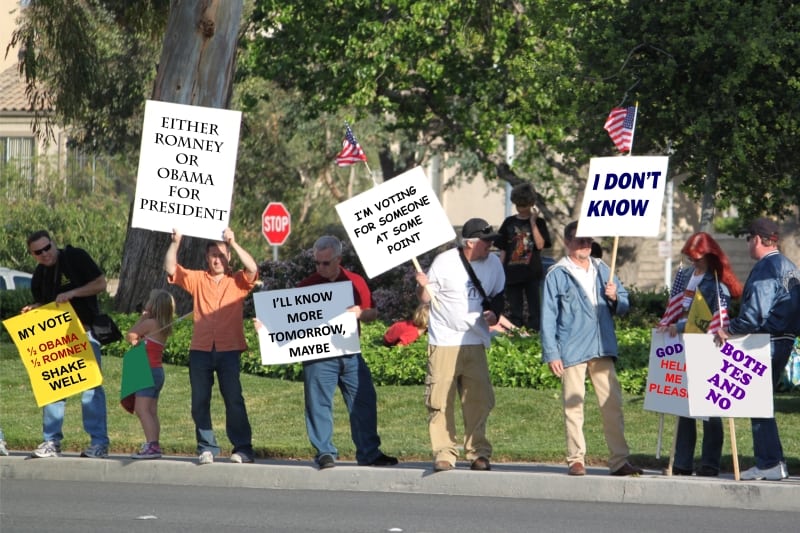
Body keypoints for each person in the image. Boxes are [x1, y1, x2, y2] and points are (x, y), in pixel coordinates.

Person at [540, 221, 643, 477]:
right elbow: (548, 316)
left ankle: (619, 460)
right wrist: (552, 352)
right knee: (574, 406)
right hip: (572, 349)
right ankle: (576, 459)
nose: (585, 244)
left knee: (612, 405)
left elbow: (624, 304)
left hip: (602, 346)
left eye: (588, 240)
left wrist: (615, 296)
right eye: (579, 240)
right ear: (567, 242)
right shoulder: (557, 273)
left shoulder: (602, 268)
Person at [296, 235, 398, 469]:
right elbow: (291, 320)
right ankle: (324, 452)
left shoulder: (355, 281)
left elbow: (373, 313)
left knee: (364, 400)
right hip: (319, 355)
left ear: (338, 259)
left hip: (351, 353)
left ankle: (369, 452)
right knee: (318, 403)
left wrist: (360, 313)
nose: (320, 267)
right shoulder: (305, 286)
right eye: (317, 263)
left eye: (325, 263)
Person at [415, 218, 505, 472]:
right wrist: (422, 286)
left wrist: (494, 315)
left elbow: (498, 296)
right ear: (469, 243)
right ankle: (444, 453)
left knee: (478, 400)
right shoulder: (444, 262)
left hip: (475, 340)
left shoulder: (495, 264)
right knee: (440, 399)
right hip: (444, 340)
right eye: (486, 242)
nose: (491, 246)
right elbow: (426, 298)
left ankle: (478, 453)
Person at [165, 227, 258, 465]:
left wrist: (234, 243)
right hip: (201, 349)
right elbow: (171, 269)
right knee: (199, 400)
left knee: (233, 398)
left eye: (222, 255)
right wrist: (176, 242)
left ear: (229, 258)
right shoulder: (198, 279)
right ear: (206, 258)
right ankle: (206, 447)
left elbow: (253, 269)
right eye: (213, 255)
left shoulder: (238, 280)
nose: (217, 259)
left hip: (229, 349)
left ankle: (243, 448)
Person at [715, 218, 799, 481]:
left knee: (757, 403)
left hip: (766, 341)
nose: (748, 243)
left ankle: (769, 463)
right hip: (784, 340)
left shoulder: (766, 268)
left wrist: (730, 329)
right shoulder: (789, 265)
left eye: (748, 238)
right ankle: (774, 462)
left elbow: (755, 314)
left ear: (757, 239)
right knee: (762, 403)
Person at [658, 232, 743, 477]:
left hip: (707, 345)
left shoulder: (717, 283)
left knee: (710, 407)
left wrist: (681, 326)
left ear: (708, 255)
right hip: (681, 343)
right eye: (690, 257)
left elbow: (715, 318)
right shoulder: (683, 275)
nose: (693, 262)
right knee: (684, 404)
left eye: (697, 258)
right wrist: (668, 323)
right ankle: (683, 462)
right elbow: (673, 304)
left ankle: (709, 463)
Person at [22, 230, 110, 459]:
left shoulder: (75, 257)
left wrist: (73, 292)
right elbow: (44, 303)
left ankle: (98, 442)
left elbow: (101, 283)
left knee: (91, 390)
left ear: (54, 242)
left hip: (84, 332)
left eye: (47, 248)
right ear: (33, 255)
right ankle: (51, 441)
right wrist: (35, 308)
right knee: (53, 386)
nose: (45, 254)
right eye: (38, 252)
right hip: (57, 339)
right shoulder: (39, 274)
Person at [124, 289, 176, 460]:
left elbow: (130, 335)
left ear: (153, 306)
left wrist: (142, 318)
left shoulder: (150, 323)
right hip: (157, 371)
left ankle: (152, 445)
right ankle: (154, 444)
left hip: (147, 371)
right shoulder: (162, 325)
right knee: (151, 411)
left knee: (142, 409)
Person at [494, 182, 552, 331]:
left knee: (535, 309)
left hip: (532, 272)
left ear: (531, 204)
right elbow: (503, 248)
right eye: (519, 205)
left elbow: (540, 245)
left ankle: (534, 334)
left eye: (525, 205)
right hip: (512, 272)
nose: (522, 209)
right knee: (515, 310)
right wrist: (499, 271)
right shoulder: (509, 223)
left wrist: (533, 223)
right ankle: (516, 334)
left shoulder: (539, 223)